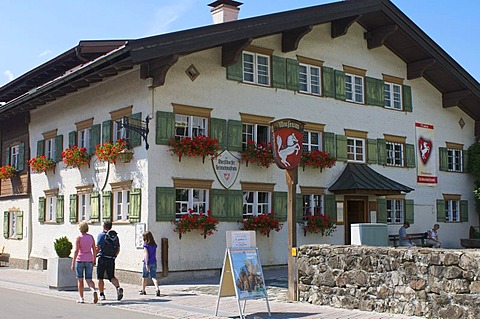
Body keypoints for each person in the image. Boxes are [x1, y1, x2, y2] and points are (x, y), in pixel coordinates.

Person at [71, 221, 98, 304]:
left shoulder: (79, 238)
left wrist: (73, 262)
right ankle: (93, 290)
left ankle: (81, 297)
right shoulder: (91, 237)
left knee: (80, 280)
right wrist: (94, 259)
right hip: (89, 259)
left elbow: (76, 251)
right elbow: (94, 248)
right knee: (89, 279)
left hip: (80, 260)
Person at [96, 221, 123, 301]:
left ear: (104, 226)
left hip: (102, 258)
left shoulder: (101, 235)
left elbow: (98, 248)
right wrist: (114, 256)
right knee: (111, 276)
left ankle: (101, 294)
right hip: (111, 259)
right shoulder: (115, 236)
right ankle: (118, 288)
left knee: (100, 277)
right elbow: (118, 249)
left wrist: (94, 256)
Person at [139, 231, 161, 296]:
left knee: (144, 276)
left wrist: (146, 263)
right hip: (154, 262)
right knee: (153, 277)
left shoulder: (146, 245)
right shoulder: (154, 245)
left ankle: (143, 290)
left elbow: (146, 254)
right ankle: (157, 289)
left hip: (147, 262)